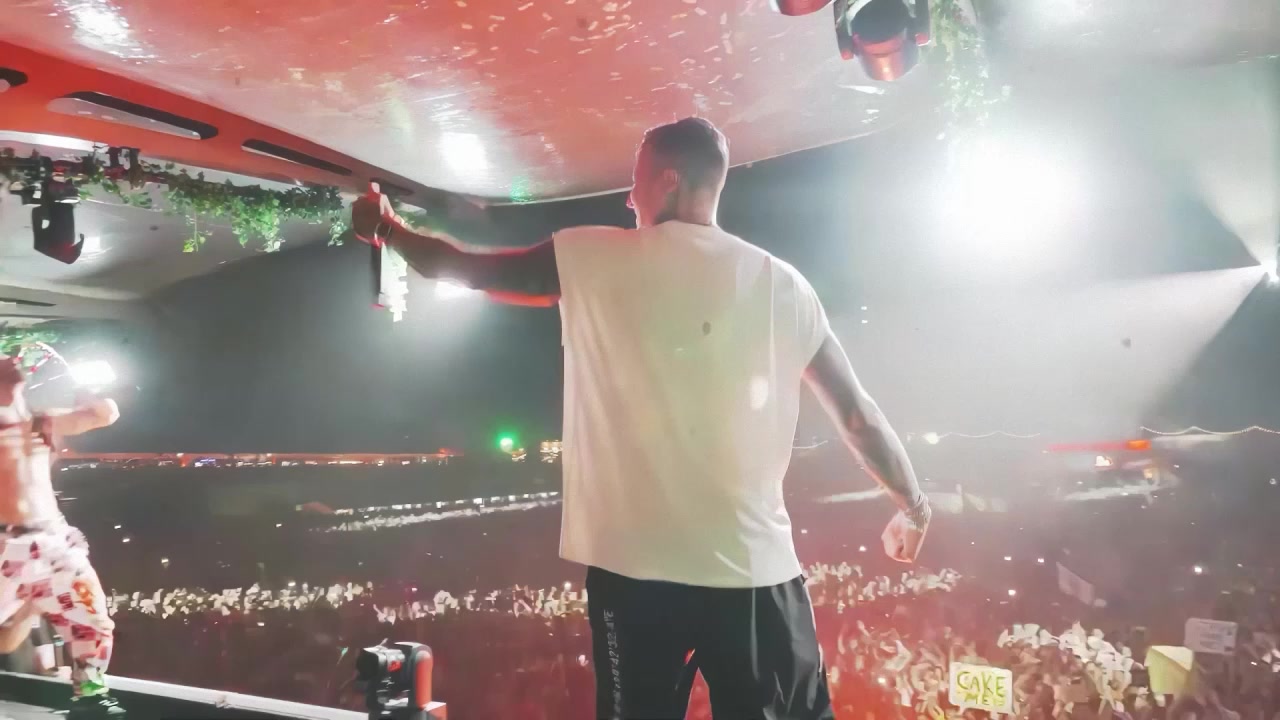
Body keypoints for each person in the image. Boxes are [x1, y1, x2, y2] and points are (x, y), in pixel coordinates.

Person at [351, 116, 931, 719]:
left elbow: (464, 268)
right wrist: (913, 508)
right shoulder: (783, 285)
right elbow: (856, 416)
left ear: (669, 180)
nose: (629, 198)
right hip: (754, 573)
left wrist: (387, 228)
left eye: (637, 181)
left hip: (634, 579)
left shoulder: (593, 256)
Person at [0, 354, 124, 717]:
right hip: (5, 546)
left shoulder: (43, 420)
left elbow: (105, 414)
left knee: (92, 619)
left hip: (52, 541)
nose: (10, 364)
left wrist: (89, 387)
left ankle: (90, 695)